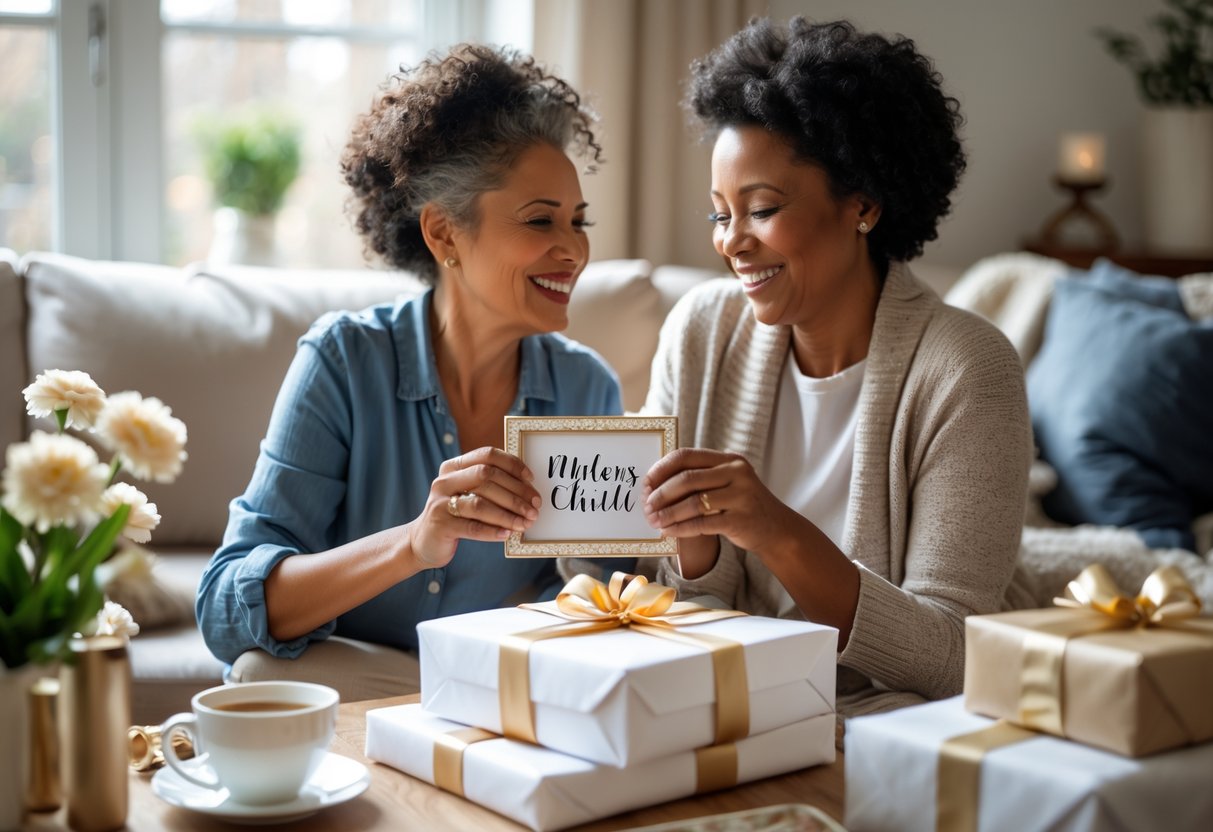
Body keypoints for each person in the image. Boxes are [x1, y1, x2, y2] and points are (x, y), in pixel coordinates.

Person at [197, 44, 625, 700]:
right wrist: (415, 543)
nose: (572, 250)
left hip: (509, 686)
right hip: (366, 676)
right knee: (260, 672)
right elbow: (227, 609)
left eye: (577, 221)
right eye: (540, 220)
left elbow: (609, 606)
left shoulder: (586, 389)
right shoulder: (343, 361)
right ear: (444, 234)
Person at [641, 17, 1035, 718]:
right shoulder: (700, 331)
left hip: (882, 721)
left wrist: (776, 531)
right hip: (717, 704)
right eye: (717, 214)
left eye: (761, 209)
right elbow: (679, 604)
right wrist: (691, 548)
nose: (732, 242)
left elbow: (955, 655)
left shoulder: (967, 368)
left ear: (862, 204)